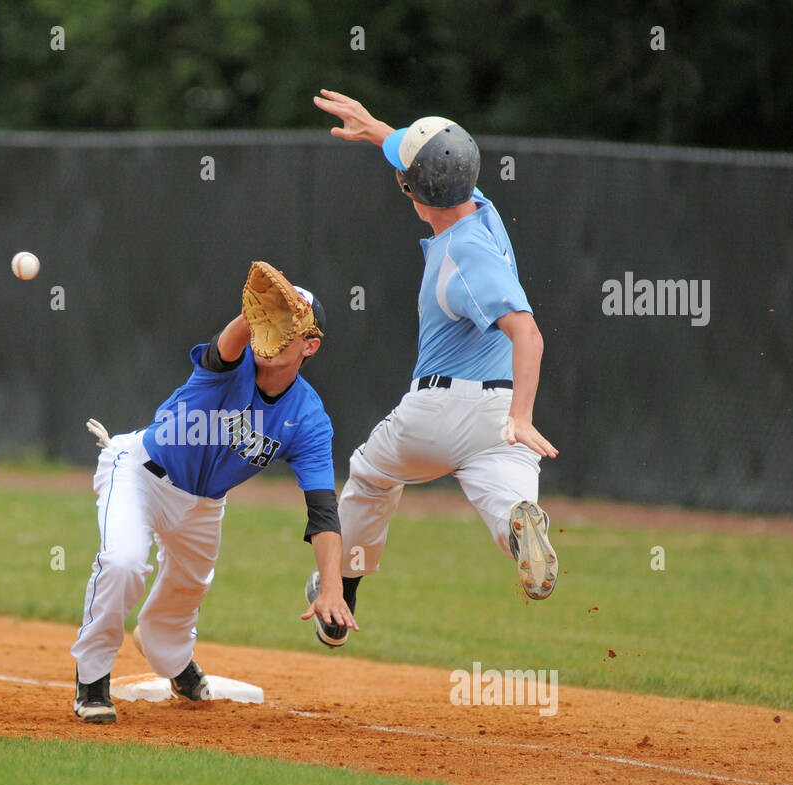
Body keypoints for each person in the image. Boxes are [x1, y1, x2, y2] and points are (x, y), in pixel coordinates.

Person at [305, 90, 560, 649]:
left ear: (418, 198)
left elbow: (528, 332)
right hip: (496, 417)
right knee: (507, 497)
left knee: (370, 477)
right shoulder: (483, 210)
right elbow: (431, 157)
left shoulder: (460, 256)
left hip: (442, 409)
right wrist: (376, 129)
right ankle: (522, 528)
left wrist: (525, 417)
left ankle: (342, 590)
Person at [72, 263, 357, 723]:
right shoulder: (232, 364)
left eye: (290, 324)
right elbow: (227, 346)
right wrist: (252, 316)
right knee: (123, 562)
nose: (275, 330)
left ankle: (173, 661)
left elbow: (323, 510)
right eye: (270, 319)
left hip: (204, 505)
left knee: (185, 592)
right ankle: (92, 679)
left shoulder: (308, 418)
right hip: (141, 475)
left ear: (311, 345)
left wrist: (332, 586)